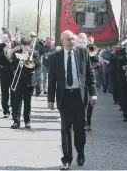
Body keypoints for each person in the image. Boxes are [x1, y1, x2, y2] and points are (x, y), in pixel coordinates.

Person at [48, 30, 97, 170]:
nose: (71, 42)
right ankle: (67, 159)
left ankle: (80, 153)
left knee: (79, 129)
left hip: (79, 96)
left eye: (73, 39)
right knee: (65, 129)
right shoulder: (55, 56)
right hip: (64, 97)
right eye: (68, 39)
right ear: (61, 41)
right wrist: (50, 100)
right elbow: (51, 80)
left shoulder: (83, 53)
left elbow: (90, 75)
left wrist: (93, 94)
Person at [11, 37, 40, 129]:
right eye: (23, 45)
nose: (25, 47)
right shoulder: (17, 52)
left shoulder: (34, 53)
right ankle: (16, 121)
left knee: (28, 102)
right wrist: (17, 65)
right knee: (17, 102)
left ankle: (27, 121)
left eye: (26, 45)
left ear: (29, 45)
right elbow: (12, 63)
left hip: (29, 81)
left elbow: (38, 64)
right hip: (19, 80)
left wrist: (30, 59)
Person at [0, 33, 18, 118]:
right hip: (4, 71)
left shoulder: (14, 44)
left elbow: (18, 56)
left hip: (13, 71)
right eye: (5, 38)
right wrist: (3, 50)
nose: (7, 39)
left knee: (14, 92)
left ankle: (14, 110)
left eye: (8, 38)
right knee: (4, 92)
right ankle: (6, 110)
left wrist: (12, 52)